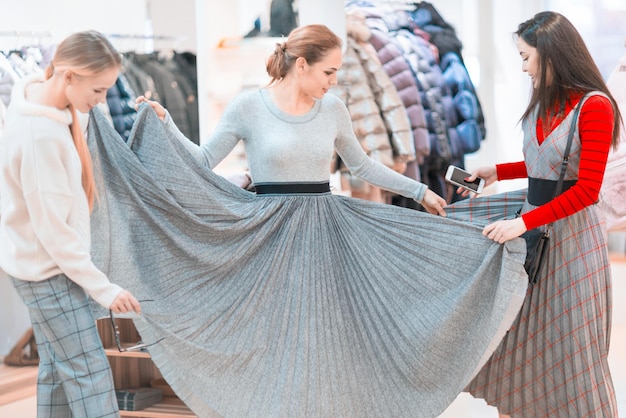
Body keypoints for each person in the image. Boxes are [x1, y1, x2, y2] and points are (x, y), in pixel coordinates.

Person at [86, 24, 528, 417]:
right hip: (265, 233)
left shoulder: (333, 109)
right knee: (275, 337)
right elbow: (202, 161)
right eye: (329, 72)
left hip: (325, 230)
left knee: (325, 336)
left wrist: (419, 190)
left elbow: (361, 165)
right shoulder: (248, 107)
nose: (334, 81)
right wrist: (165, 124)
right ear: (301, 65)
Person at [448, 11, 622, 417]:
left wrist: (522, 222)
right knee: (521, 340)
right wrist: (498, 172)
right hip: (532, 231)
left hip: (571, 240)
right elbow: (548, 164)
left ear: (550, 54)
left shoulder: (594, 106)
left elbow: (585, 190)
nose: (523, 67)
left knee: (571, 345)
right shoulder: (545, 102)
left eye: (526, 57)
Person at [0, 30, 142, 418]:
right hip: (48, 271)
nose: (100, 102)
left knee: (60, 372)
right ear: (68, 76)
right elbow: (54, 232)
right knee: (89, 372)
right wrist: (104, 288)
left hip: (40, 266)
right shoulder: (39, 134)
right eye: (97, 91)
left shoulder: (37, 102)